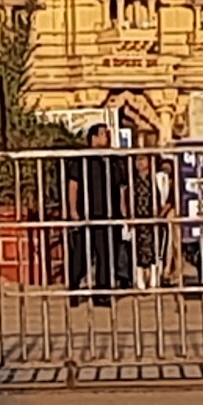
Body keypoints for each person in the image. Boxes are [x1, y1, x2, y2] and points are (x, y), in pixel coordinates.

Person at [66, 124, 128, 305]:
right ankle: (74, 287)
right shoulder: (82, 159)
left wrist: (123, 211)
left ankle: (102, 292)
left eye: (108, 134)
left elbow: (122, 187)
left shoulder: (113, 160)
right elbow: (73, 185)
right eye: (102, 134)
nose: (106, 137)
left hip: (110, 214)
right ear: (93, 138)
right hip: (87, 213)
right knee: (81, 254)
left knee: (106, 254)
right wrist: (73, 210)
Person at [128, 151, 175, 290]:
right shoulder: (133, 181)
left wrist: (161, 214)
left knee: (155, 249)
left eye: (142, 159)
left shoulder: (159, 179)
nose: (139, 163)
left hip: (155, 217)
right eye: (137, 160)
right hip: (138, 218)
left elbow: (169, 198)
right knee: (138, 249)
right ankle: (140, 278)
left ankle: (155, 277)